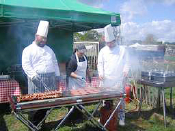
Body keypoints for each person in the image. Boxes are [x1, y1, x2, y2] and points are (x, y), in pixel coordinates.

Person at [22, 20, 60, 128]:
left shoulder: (50, 50)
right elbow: (26, 64)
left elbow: (54, 62)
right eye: (42, 38)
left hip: (50, 79)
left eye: (45, 38)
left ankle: (42, 124)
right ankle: (33, 126)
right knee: (35, 104)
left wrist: (57, 75)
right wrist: (33, 76)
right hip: (36, 80)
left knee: (46, 104)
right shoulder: (28, 50)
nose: (44, 40)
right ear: (36, 36)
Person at [97, 24, 129, 126]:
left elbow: (127, 62)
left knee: (121, 100)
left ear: (114, 41)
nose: (109, 45)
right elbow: (100, 63)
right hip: (106, 79)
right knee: (105, 99)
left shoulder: (122, 50)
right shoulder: (103, 51)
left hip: (119, 78)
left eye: (110, 43)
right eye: (107, 43)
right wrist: (101, 73)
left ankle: (121, 118)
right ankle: (104, 116)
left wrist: (125, 70)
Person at [66, 44, 91, 122]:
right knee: (73, 100)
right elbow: (69, 73)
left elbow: (86, 68)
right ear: (76, 51)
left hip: (82, 82)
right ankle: (71, 118)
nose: (82, 54)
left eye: (83, 52)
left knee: (80, 100)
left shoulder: (85, 57)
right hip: (73, 83)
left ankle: (79, 116)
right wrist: (79, 77)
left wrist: (89, 76)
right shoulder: (72, 60)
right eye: (81, 52)